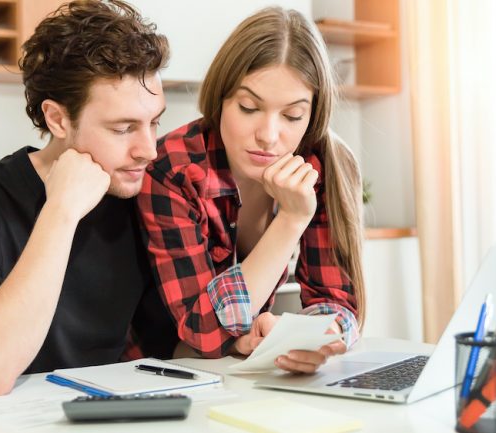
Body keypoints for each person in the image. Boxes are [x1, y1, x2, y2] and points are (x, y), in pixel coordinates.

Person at [0, 0, 176, 396]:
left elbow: (171, 348)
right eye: (124, 128)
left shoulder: (146, 196)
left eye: (154, 122)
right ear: (58, 119)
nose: (149, 149)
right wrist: (61, 210)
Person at [138, 6, 366, 374]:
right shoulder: (173, 168)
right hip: (154, 370)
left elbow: (336, 302)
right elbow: (204, 333)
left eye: (292, 116)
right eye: (248, 107)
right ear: (221, 99)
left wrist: (319, 336)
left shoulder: (321, 164)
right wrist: (291, 219)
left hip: (241, 371)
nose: (268, 136)